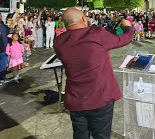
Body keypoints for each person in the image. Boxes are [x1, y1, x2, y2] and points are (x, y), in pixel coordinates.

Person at [54, 7, 133, 139]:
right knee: (101, 135)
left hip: (76, 99)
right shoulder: (96, 34)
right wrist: (128, 27)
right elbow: (123, 39)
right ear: (84, 19)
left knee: (80, 135)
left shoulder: (59, 42)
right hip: (100, 97)